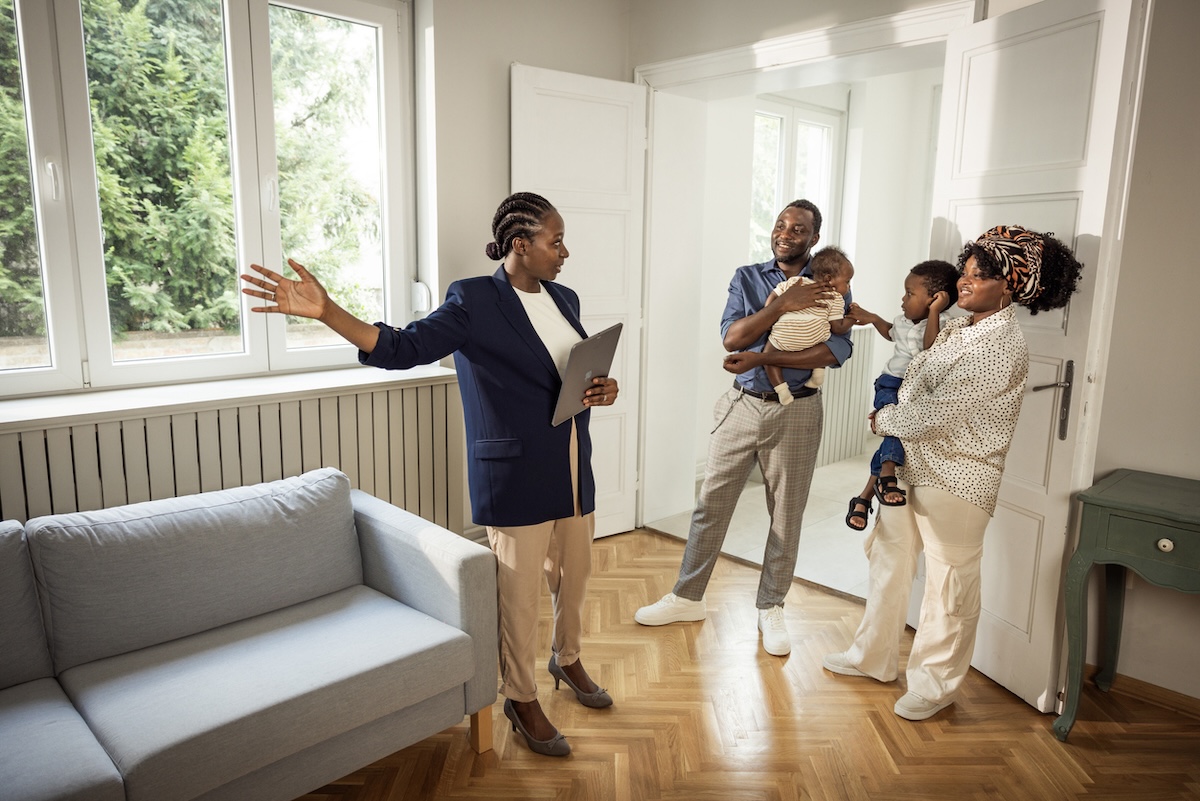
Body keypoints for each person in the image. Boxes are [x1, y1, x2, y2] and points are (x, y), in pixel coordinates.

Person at [241, 192, 618, 757]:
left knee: (576, 573)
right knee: (517, 596)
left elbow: (564, 374)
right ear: (521, 244)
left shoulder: (564, 297)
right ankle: (519, 696)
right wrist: (329, 312)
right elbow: (401, 347)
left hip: (570, 464)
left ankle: (568, 659)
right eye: (555, 241)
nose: (564, 252)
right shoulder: (473, 300)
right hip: (516, 473)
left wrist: (600, 389)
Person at [822, 225, 1084, 721]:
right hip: (911, 467)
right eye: (965, 272)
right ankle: (871, 658)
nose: (966, 283)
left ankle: (934, 685)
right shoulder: (960, 327)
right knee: (888, 562)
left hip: (959, 478)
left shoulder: (1003, 344)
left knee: (949, 586)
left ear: (1010, 286)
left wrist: (884, 419)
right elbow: (918, 381)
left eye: (980, 277)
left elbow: (939, 410)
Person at [634, 199, 851, 657]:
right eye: (780, 225)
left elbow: (834, 351)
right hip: (742, 404)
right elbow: (732, 339)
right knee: (710, 505)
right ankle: (686, 597)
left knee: (786, 515)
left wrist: (764, 356)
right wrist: (783, 306)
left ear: (814, 236)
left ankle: (771, 607)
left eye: (798, 228)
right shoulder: (747, 278)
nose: (785, 233)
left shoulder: (831, 279)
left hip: (798, 411)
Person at [842, 260, 959, 530]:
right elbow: (891, 333)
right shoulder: (903, 321)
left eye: (909, 293)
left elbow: (931, 346)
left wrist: (934, 313)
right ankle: (887, 477)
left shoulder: (946, 324)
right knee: (894, 433)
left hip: (914, 392)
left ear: (934, 300)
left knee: (893, 436)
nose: (903, 299)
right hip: (890, 384)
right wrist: (872, 318)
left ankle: (864, 496)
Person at [762, 246, 856, 404]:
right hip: (812, 340)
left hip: (784, 336)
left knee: (767, 357)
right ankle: (818, 375)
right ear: (828, 279)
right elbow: (838, 328)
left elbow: (773, 296)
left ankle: (782, 390)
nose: (849, 287)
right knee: (825, 340)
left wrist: (769, 318)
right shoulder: (835, 298)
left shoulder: (795, 282)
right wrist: (852, 318)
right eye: (847, 281)